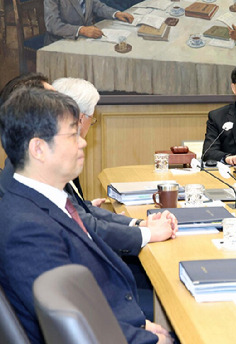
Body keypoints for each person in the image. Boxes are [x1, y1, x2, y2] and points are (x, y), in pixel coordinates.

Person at [0, 88, 172, 343]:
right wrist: (147, 337)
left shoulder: (45, 201)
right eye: (71, 134)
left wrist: (140, 323)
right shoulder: (26, 228)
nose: (82, 141)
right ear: (38, 148)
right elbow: (72, 325)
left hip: (121, 319)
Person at [0, 74, 178, 256]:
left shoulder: (35, 172)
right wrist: (146, 232)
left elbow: (78, 211)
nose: (81, 142)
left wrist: (139, 224)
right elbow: (82, 227)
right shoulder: (26, 189)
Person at [44, 0, 134, 45]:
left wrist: (116, 14)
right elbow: (52, 24)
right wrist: (81, 30)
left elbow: (97, 5)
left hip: (87, 39)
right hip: (62, 41)